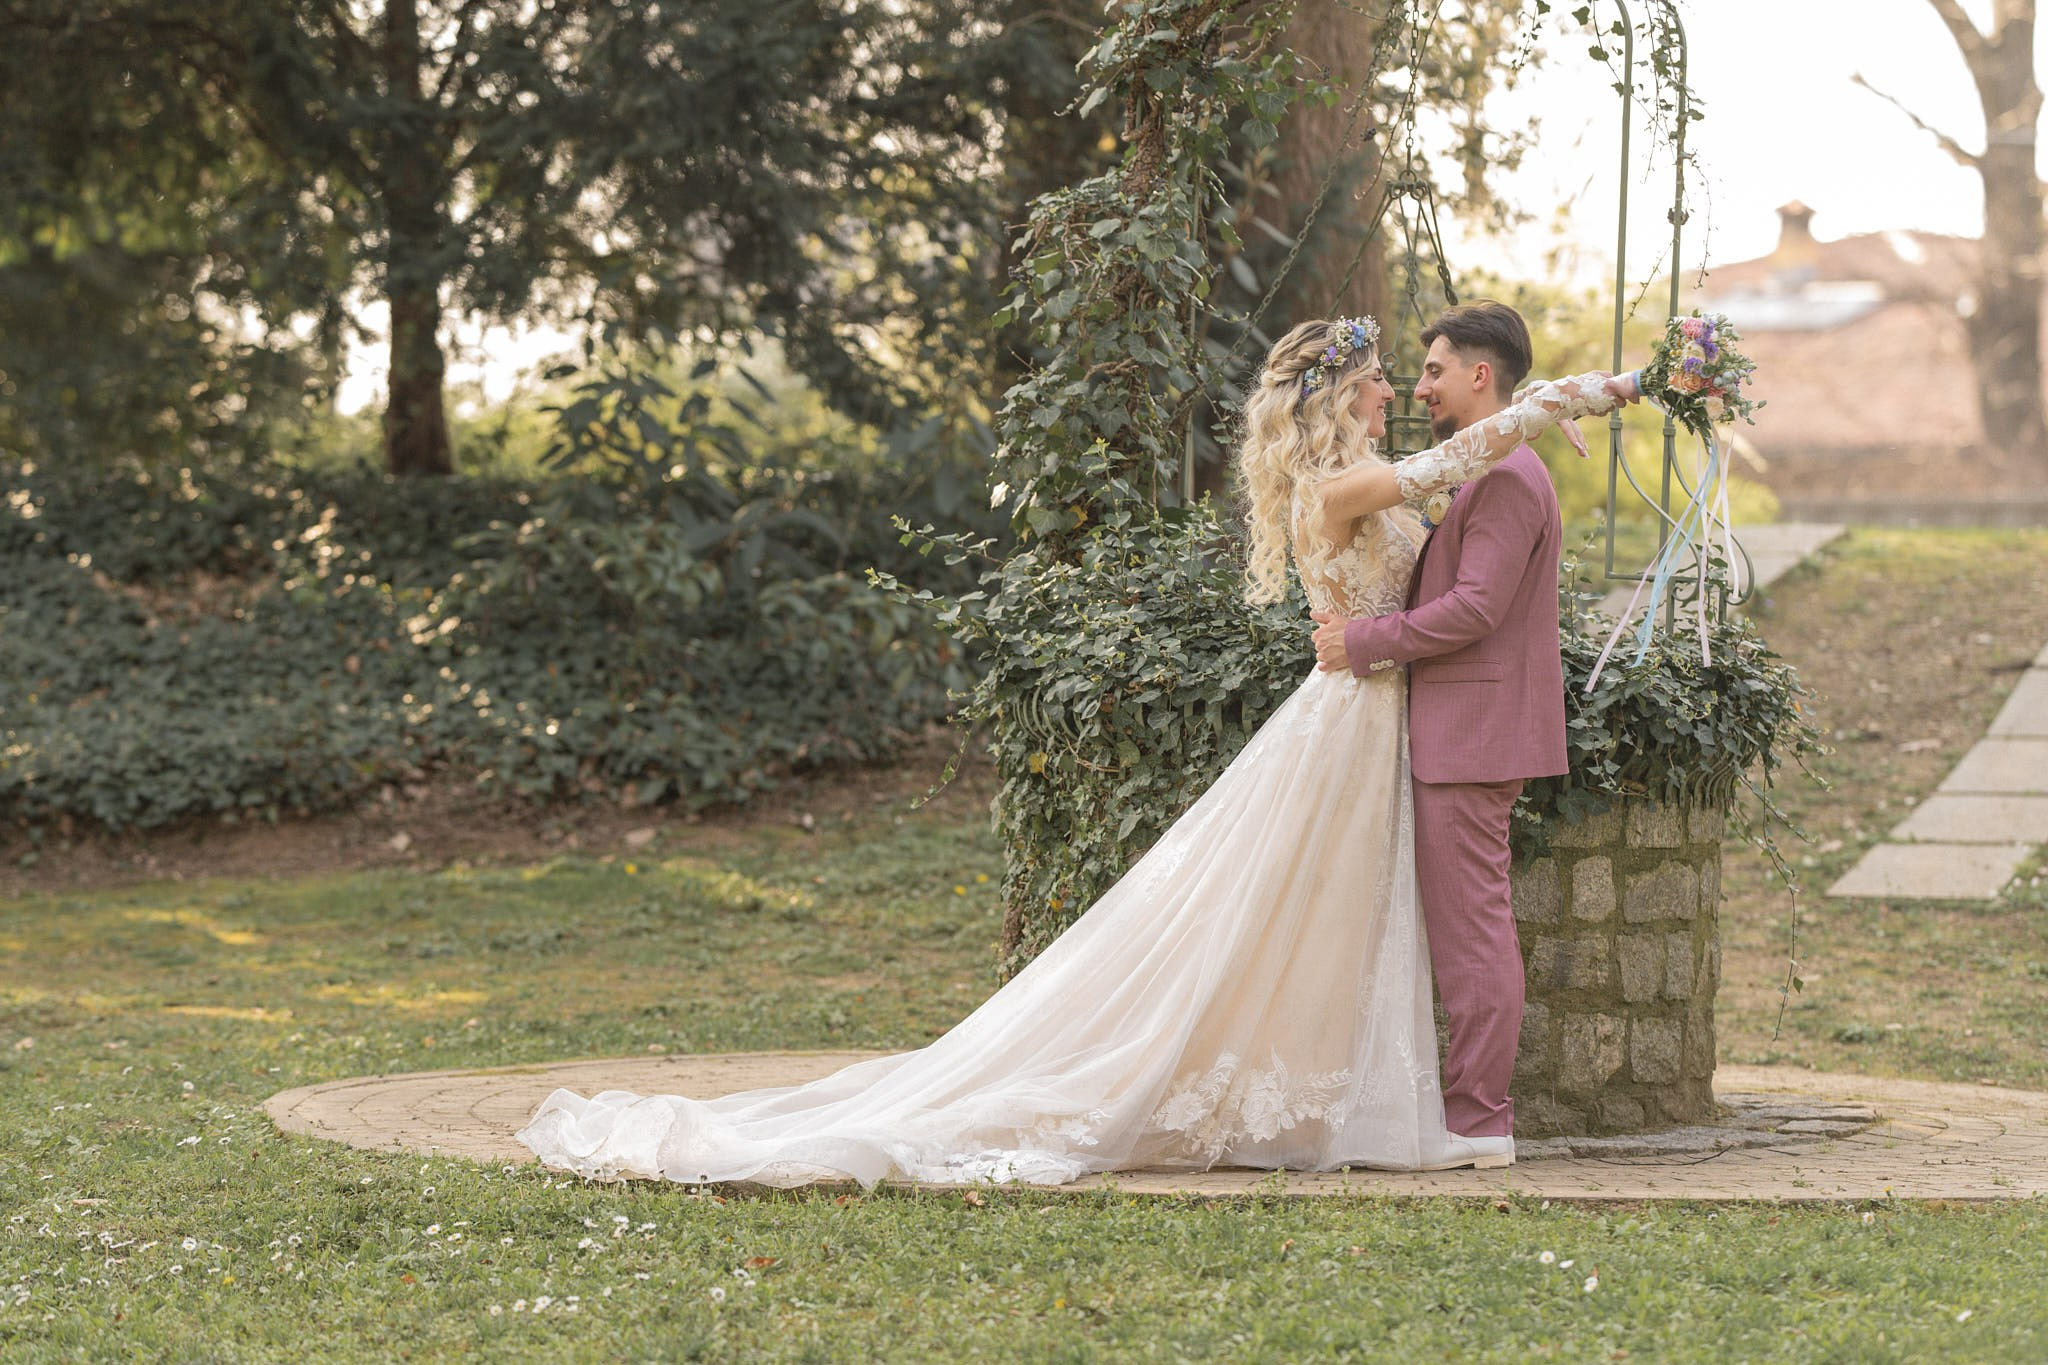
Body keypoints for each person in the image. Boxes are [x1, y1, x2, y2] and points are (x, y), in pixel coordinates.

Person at [515, 311, 1636, 1187]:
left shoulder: (1386, 479)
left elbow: (1458, 519)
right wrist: (1567, 399)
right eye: (1383, 377)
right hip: (1350, 715)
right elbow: (1444, 473)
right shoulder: (1335, 486)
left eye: (1413, 374)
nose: (1398, 389)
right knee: (1278, 913)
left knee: (1328, 919)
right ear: (1339, 394)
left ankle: (1326, 1092)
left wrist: (1532, 422)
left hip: (1380, 716)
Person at [1310, 301, 1609, 1168]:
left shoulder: (1508, 476)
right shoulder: (1489, 465)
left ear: (1481, 375)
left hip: (1473, 736)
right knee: (1466, 928)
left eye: (1435, 369)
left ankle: (1480, 1121)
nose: (1420, 386)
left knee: (1473, 933)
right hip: (1461, 729)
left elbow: (1476, 607)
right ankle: (1466, 1114)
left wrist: (1364, 641)